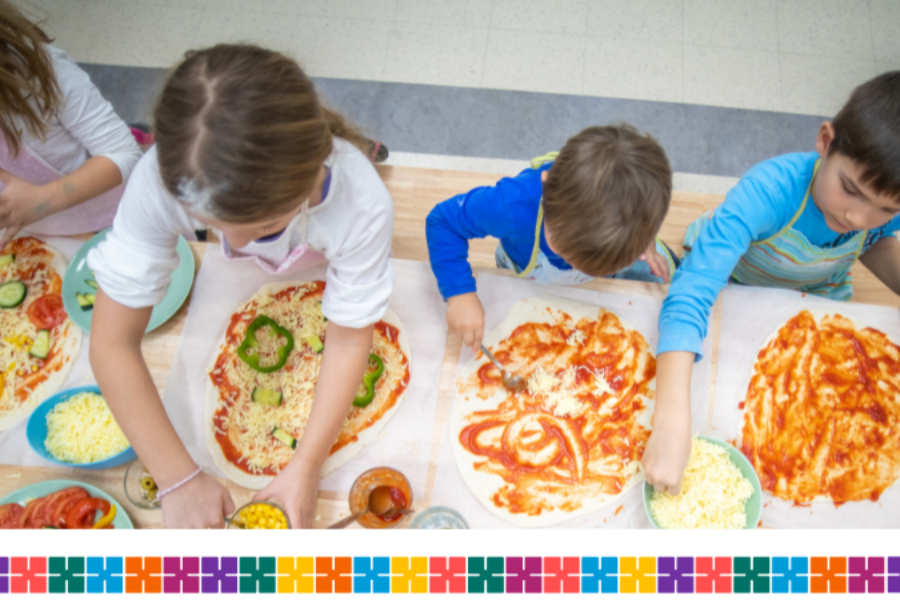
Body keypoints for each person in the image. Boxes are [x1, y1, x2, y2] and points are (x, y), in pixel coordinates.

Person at [87, 44, 394, 529]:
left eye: (266, 225)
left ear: (312, 172)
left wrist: (306, 464)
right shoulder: (162, 180)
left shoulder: (361, 203)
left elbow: (352, 334)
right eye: (209, 226)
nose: (233, 245)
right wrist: (177, 479)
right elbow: (110, 343)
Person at [644, 71, 900, 495]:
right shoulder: (768, 193)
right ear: (825, 141)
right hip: (735, 286)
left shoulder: (872, 213)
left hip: (811, 301)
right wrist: (671, 422)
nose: (857, 218)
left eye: (886, 208)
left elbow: (873, 240)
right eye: (850, 190)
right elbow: (691, 293)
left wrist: (883, 233)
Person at [426, 124, 675, 351]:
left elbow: (647, 219)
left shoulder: (635, 213)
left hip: (614, 254)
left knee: (671, 278)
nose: (573, 265)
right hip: (528, 267)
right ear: (546, 186)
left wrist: (647, 245)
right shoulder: (510, 206)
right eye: (564, 250)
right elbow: (443, 221)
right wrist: (459, 293)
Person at [0, 0, 141, 247]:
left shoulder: (42, 72)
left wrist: (41, 200)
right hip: (31, 240)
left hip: (113, 222)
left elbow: (123, 153)